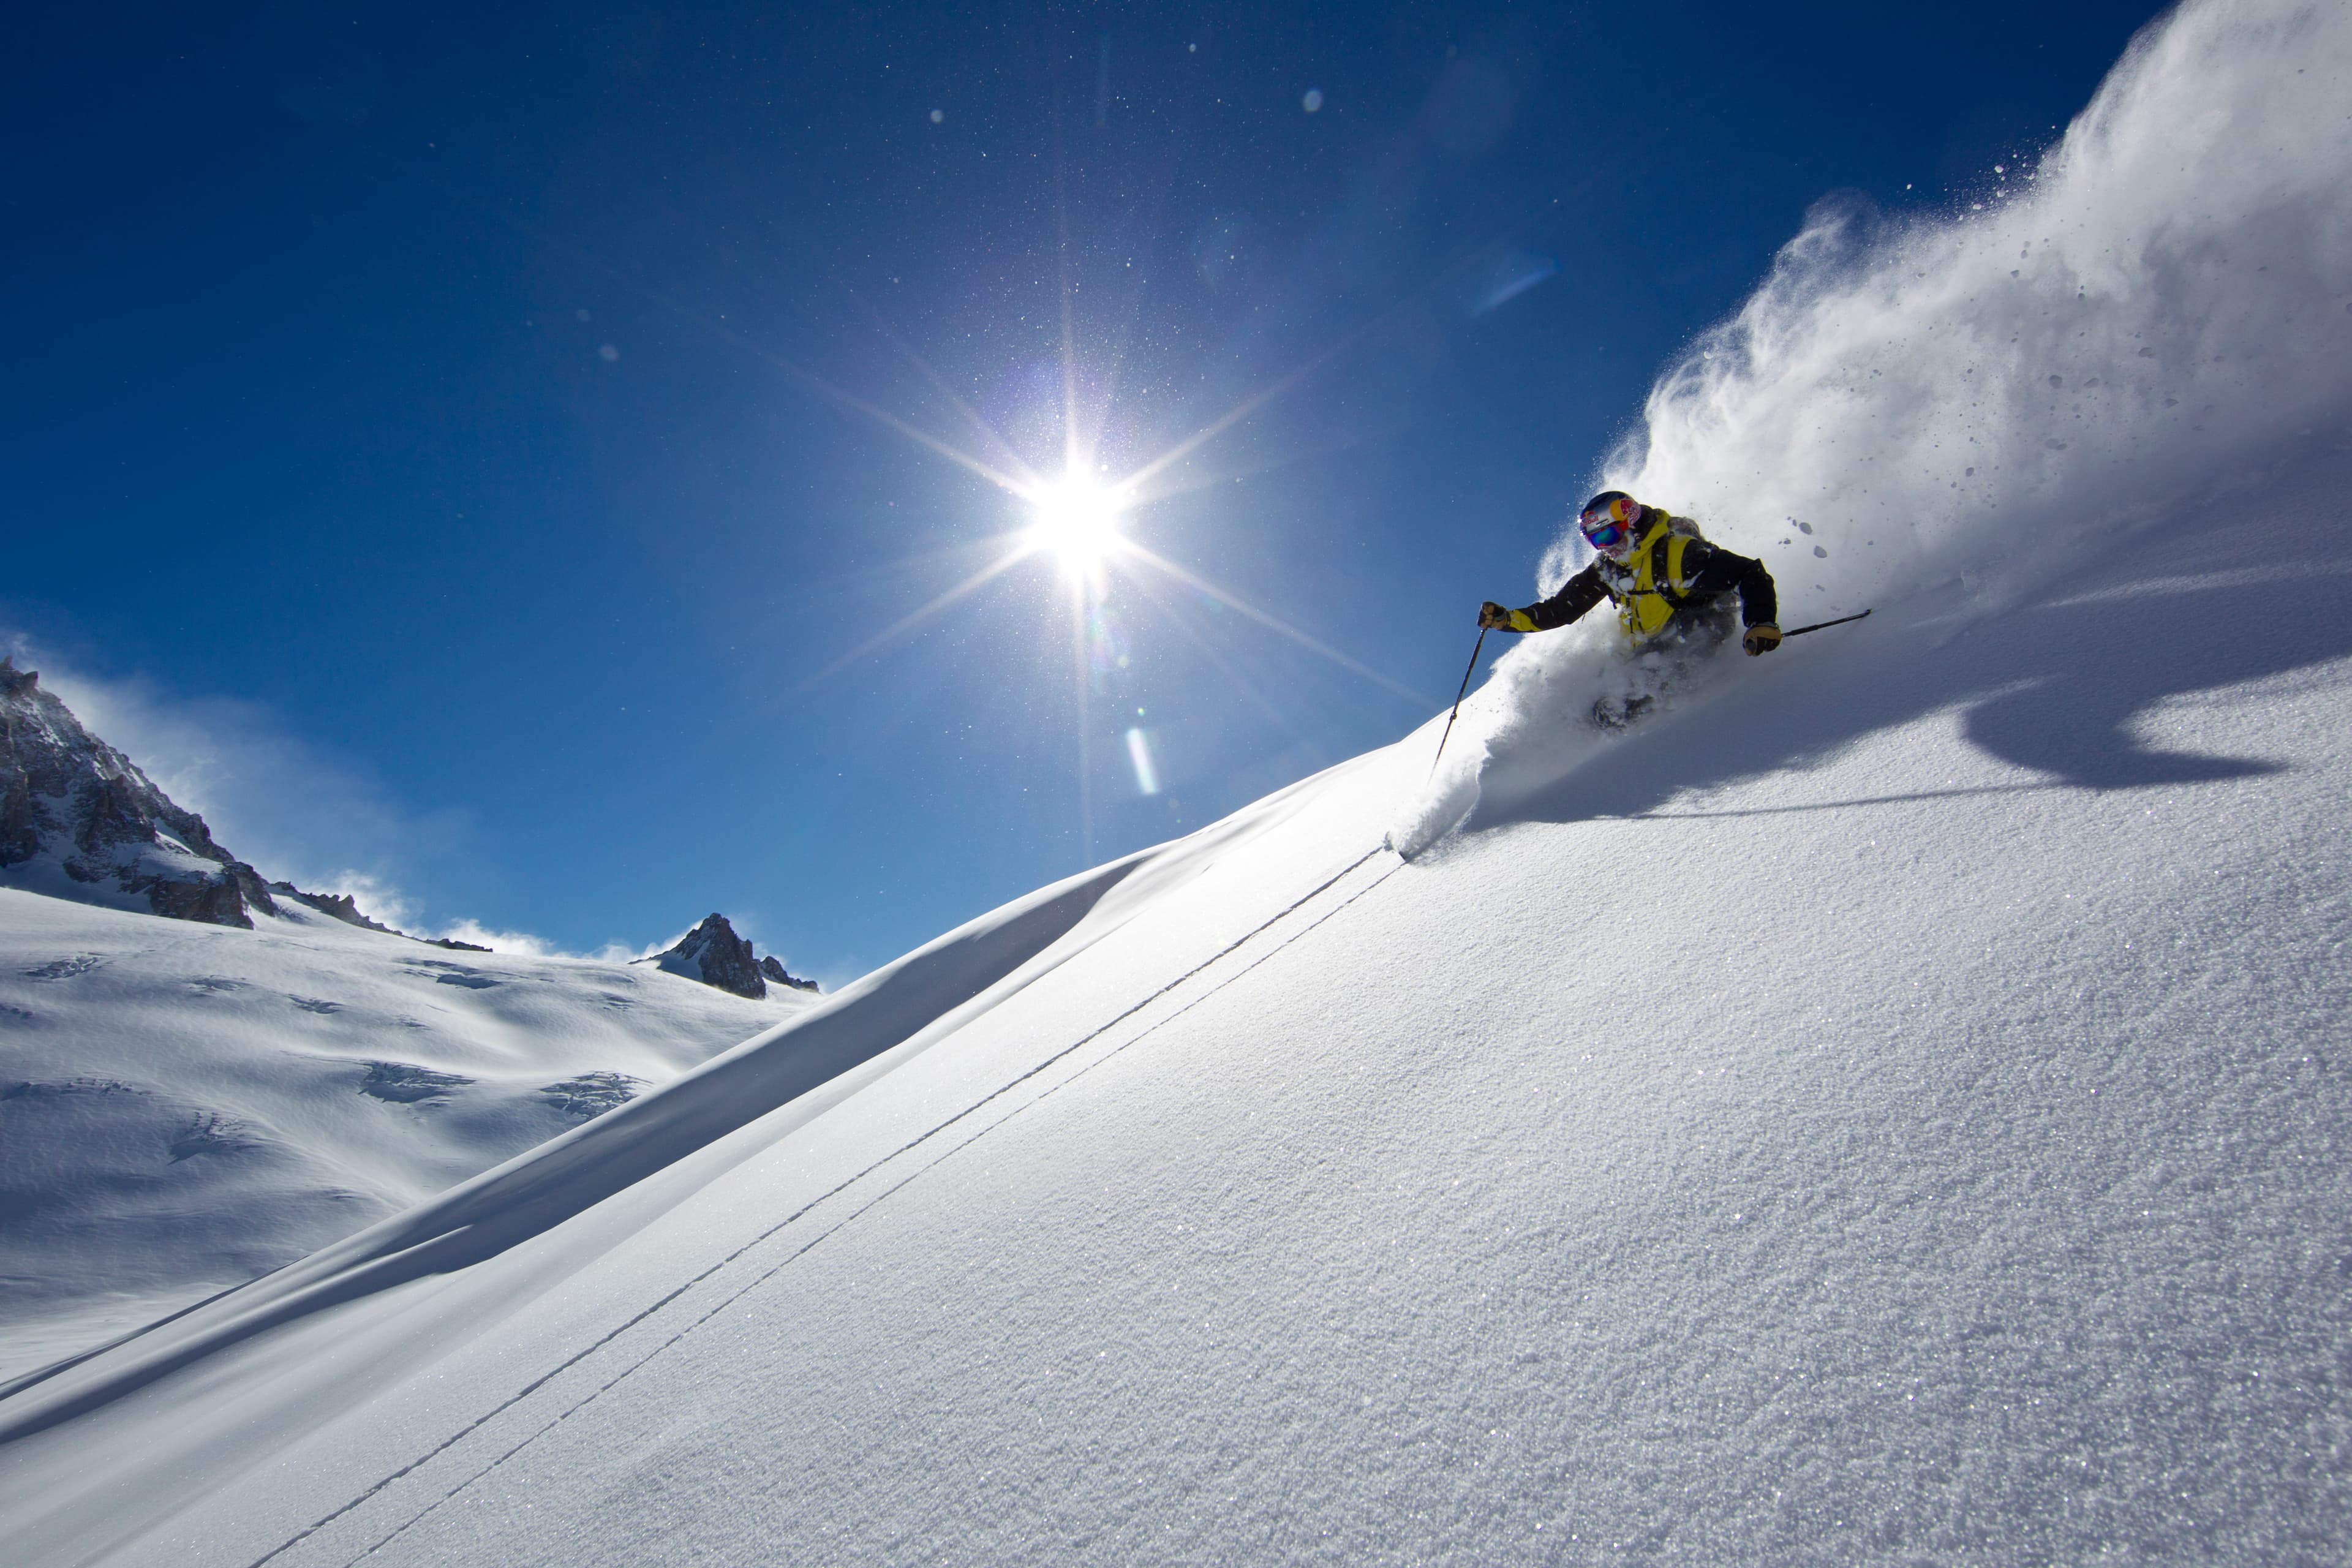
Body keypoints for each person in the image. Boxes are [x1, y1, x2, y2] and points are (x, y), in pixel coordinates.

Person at [1478, 491, 1782, 656]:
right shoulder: (1608, 570)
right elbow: (1560, 610)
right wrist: (1507, 620)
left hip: (1695, 638)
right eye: (1595, 541)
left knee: (1618, 711)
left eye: (1608, 537)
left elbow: (1749, 574)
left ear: (1631, 523)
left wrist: (1761, 622)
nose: (1605, 548)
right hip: (1648, 651)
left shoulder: (1679, 553)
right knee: (1599, 710)